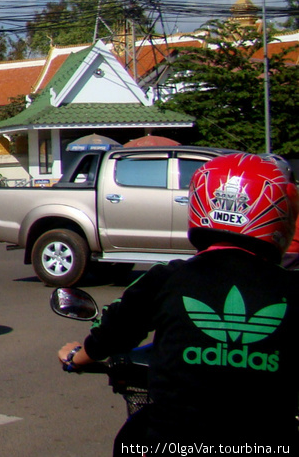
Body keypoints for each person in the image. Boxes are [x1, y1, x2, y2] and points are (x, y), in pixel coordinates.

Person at [58, 152, 299, 452]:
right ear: (280, 212)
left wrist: (78, 355)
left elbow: (115, 331)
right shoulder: (291, 287)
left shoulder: (167, 278)